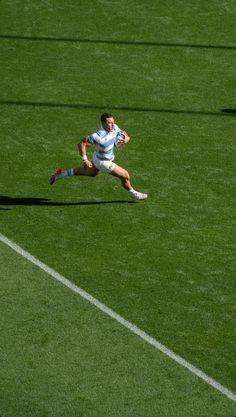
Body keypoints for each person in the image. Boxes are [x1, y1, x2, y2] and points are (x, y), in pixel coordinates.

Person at [49, 113, 148, 200]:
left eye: (113, 122)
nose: (113, 124)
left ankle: (60, 174)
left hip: (98, 157)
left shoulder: (115, 127)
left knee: (91, 173)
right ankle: (133, 193)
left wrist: (126, 138)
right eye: (110, 123)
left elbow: (123, 133)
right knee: (125, 176)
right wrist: (85, 160)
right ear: (103, 123)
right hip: (103, 162)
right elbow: (82, 143)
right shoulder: (97, 136)